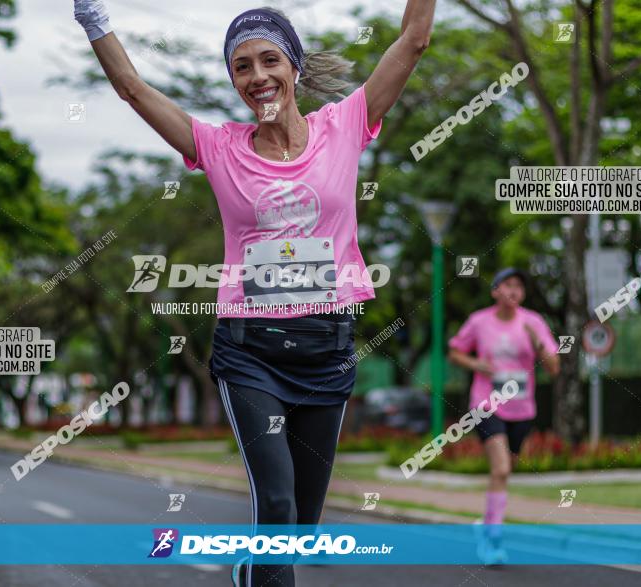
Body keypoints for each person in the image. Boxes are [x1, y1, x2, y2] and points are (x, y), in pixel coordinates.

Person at [73, 2, 436, 585]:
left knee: (302, 530)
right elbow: (133, 89)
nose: (257, 76)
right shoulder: (218, 147)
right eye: (242, 67)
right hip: (252, 352)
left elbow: (414, 40)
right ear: (233, 80)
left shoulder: (343, 125)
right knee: (275, 505)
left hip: (327, 349)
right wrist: (93, 19)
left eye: (270, 60)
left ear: (293, 66)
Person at [448, 268, 560, 565]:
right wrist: (477, 364)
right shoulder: (479, 321)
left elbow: (554, 368)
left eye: (519, 287)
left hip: (521, 408)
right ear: (495, 290)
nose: (513, 291)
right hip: (486, 405)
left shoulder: (533, 322)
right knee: (501, 469)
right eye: (507, 285)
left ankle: (485, 526)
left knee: (506, 469)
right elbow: (455, 352)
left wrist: (537, 343)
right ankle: (493, 541)